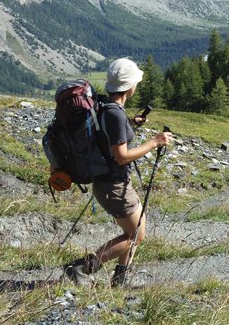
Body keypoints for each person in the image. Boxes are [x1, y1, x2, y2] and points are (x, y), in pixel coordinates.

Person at [66, 58, 173, 287]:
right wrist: (155, 142)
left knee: (133, 232)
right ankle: (82, 267)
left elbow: (108, 139)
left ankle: (119, 280)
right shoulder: (114, 113)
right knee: (136, 236)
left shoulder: (107, 107)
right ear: (129, 86)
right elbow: (121, 156)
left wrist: (131, 124)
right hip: (113, 185)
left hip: (110, 183)